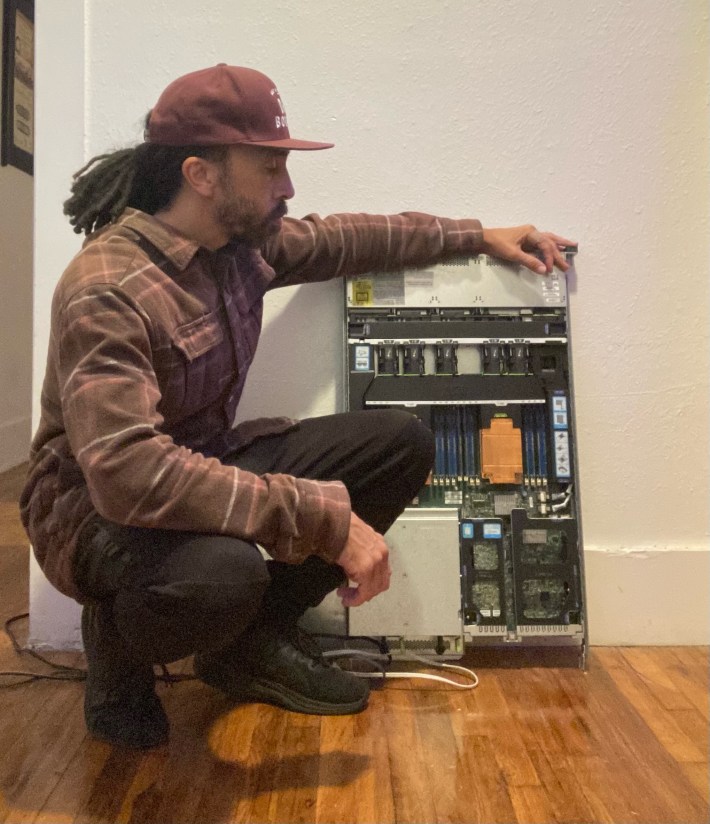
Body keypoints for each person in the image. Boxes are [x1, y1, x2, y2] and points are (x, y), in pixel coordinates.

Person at [20, 64, 573, 749]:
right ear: (202, 174)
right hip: (96, 510)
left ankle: (244, 647)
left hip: (195, 464)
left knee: (399, 443)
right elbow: (129, 473)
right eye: (271, 166)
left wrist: (476, 235)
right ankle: (117, 642)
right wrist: (322, 522)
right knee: (222, 577)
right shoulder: (107, 287)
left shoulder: (239, 246)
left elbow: (348, 237)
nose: (288, 187)